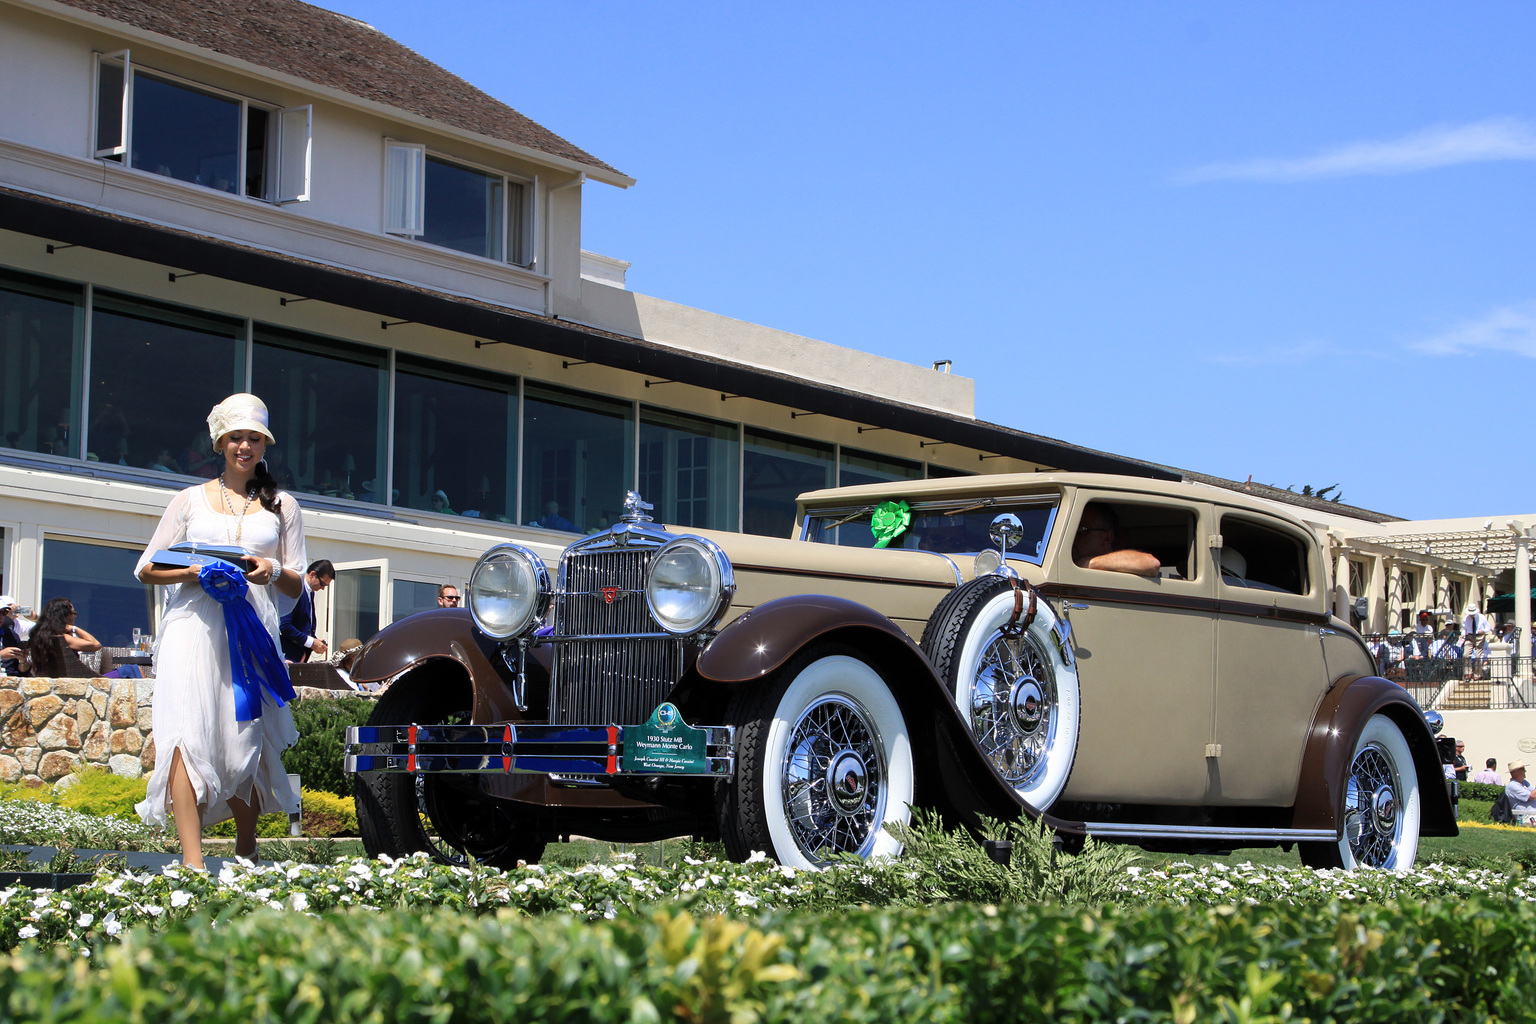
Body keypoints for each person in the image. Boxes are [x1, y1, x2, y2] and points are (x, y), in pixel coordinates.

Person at [133, 393, 305, 869]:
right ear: (220, 443)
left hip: (250, 632)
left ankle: (246, 849)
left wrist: (267, 568)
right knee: (186, 736)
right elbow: (146, 568)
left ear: (264, 445)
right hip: (191, 631)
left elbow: (297, 580)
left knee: (243, 738)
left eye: (253, 438)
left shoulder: (283, 506)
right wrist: (192, 572)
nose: (244, 446)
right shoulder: (188, 501)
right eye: (236, 438)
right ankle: (192, 864)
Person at [1071, 504, 1160, 577]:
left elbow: (1151, 564)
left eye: (1082, 530)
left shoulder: (1123, 571)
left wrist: (1087, 563)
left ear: (1106, 539)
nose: (1074, 537)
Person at [22, 597, 102, 677]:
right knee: (115, 673)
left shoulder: (41, 636)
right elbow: (96, 645)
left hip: (49, 678)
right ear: (64, 615)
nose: (75, 616)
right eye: (73, 612)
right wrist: (75, 628)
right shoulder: (64, 639)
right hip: (74, 679)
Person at [280, 560, 334, 663]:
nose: (322, 588)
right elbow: (284, 625)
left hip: (299, 657)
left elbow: (302, 625)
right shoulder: (295, 590)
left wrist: (315, 641)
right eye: (322, 583)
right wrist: (310, 642)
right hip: (287, 657)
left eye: (325, 586)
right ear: (313, 574)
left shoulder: (309, 593)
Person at [0, 597, 23, 676]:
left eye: (3, 613)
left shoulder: (10, 635)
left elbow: (22, 671)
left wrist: (23, 661)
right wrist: (1, 655)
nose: (1, 616)